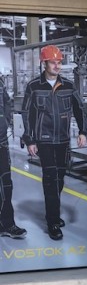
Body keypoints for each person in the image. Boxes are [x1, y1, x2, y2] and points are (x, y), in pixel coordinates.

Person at [21, 45, 87, 241]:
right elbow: (27, 113)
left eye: (59, 62)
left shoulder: (68, 86)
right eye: (53, 62)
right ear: (44, 63)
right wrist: (29, 139)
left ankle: (53, 211)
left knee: (59, 179)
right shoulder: (34, 86)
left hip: (63, 141)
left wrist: (82, 131)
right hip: (44, 141)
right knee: (50, 179)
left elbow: (79, 109)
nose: (57, 66)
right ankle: (53, 221)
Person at [0, 76, 27, 239]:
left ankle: (7, 224)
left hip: (1, 141)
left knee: (6, 185)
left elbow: (7, 103)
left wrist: (5, 123)